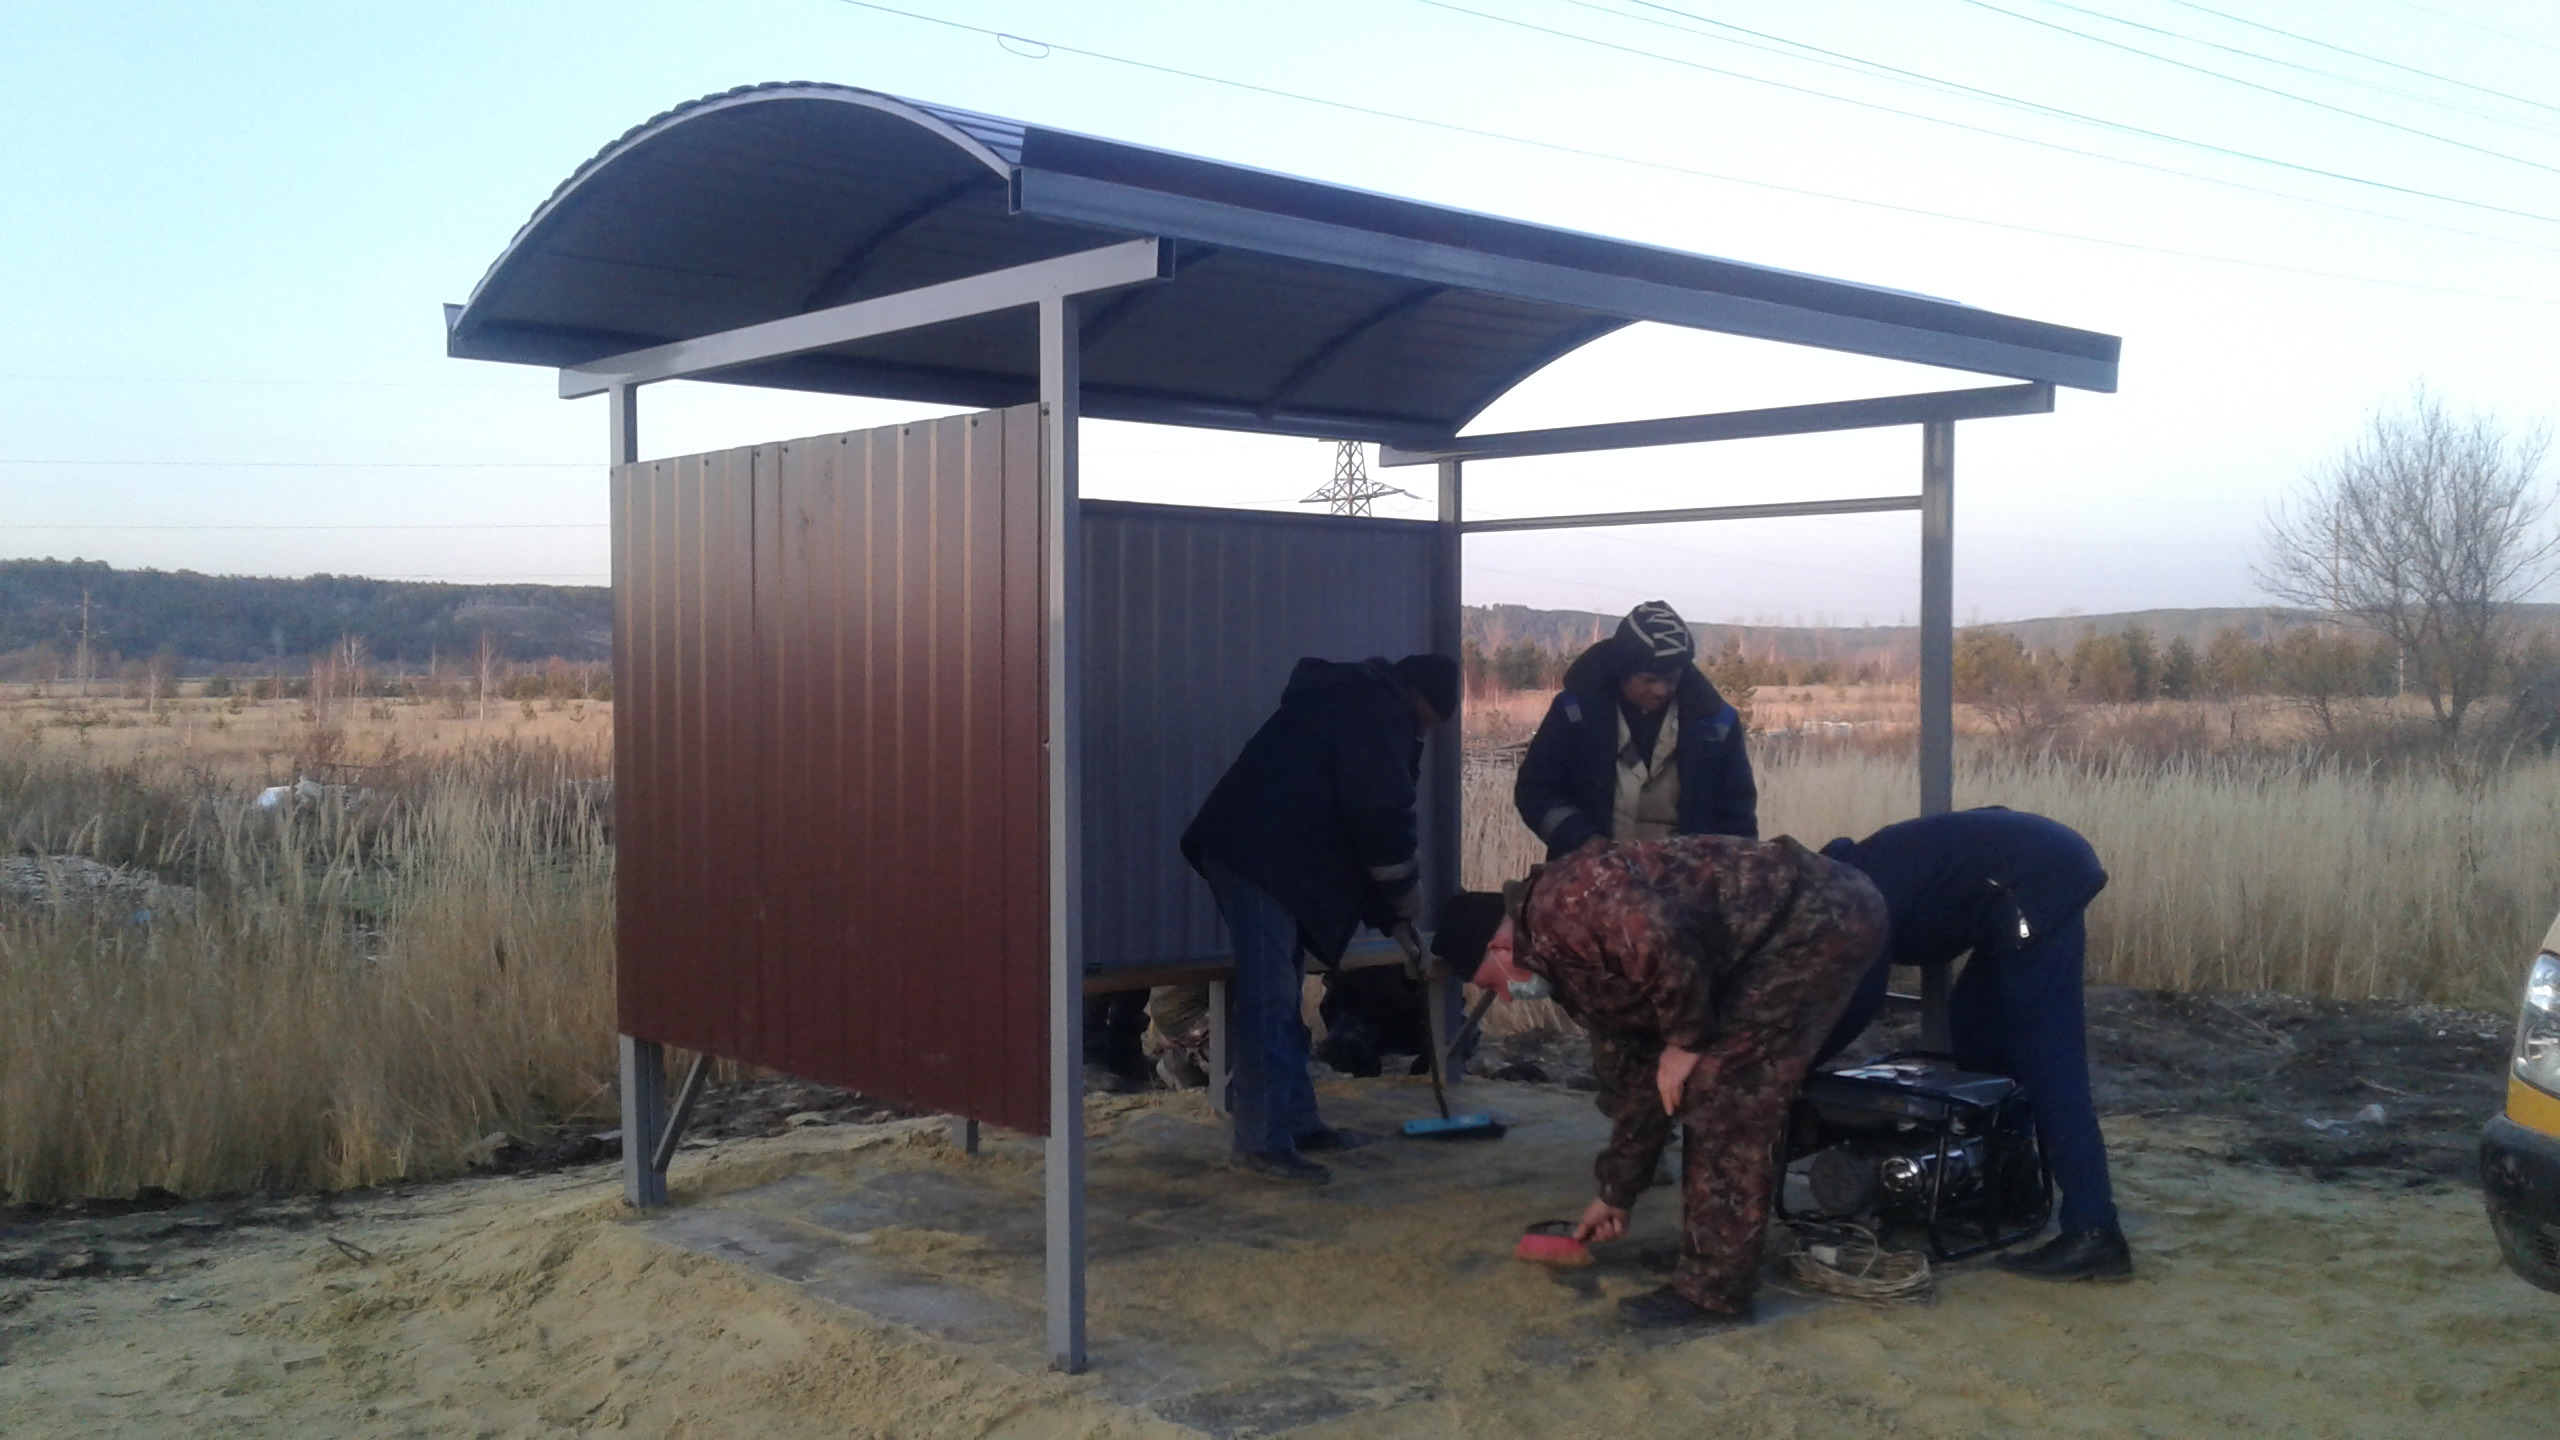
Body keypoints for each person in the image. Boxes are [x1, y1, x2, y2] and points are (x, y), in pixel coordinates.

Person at [1444, 834, 1885, 1326]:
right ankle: (1708, 1251)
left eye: (1491, 981)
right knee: (1695, 1079)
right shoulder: (1568, 965)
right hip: (1764, 946)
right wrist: (1615, 1192)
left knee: (1724, 1089)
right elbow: (1639, 1080)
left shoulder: (1567, 901)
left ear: (1499, 945)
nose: (1503, 998)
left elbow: (1658, 934)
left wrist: (1685, 1040)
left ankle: (1713, 1291)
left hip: (1818, 921)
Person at [1812, 808, 2129, 1282]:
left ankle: (2094, 1231)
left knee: (2049, 1058)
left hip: (2038, 878)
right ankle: (2011, 1184)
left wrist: (1800, 1061)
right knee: (1974, 1028)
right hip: (2018, 887)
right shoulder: (1867, 869)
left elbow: (1859, 1000)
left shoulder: (1858, 892)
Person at [1181, 653, 1459, 1183]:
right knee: (1269, 997)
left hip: (1276, 858)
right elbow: (1379, 812)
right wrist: (1403, 893)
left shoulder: (1367, 707)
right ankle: (1261, 1141)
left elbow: (1358, 830)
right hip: (1257, 856)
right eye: (1428, 721)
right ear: (1421, 700)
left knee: (1280, 994)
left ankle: (1298, 1123)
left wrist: (1393, 919)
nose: (1425, 732)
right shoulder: (1373, 711)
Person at [1513, 600, 1756, 860]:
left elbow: (1737, 814)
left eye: (1671, 679)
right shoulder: (1574, 714)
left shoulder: (1718, 724)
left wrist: (1730, 873)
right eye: (1649, 680)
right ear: (1622, 672)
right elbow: (1535, 791)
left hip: (1687, 882)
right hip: (1591, 872)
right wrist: (1580, 839)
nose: (1661, 690)